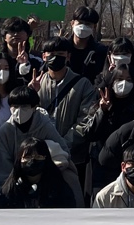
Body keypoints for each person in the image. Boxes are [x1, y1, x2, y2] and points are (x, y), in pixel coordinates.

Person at [36, 37, 98, 168]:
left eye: (60, 54)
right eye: (51, 54)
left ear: (68, 56)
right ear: (44, 56)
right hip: (41, 155)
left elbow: (86, 118)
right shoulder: (37, 84)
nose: (55, 58)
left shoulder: (83, 84)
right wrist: (30, 94)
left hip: (73, 157)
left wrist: (63, 144)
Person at [0, 87, 68, 194]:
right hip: (17, 181)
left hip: (45, 179)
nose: (19, 111)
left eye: (24, 106)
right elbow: (3, 165)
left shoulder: (45, 126)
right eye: (15, 106)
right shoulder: (5, 131)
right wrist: (6, 190)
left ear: (34, 107)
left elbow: (64, 150)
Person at [1, 137, 79, 208]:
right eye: (27, 157)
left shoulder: (60, 189)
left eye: (38, 157)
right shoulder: (9, 190)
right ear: (19, 160)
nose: (32, 161)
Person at [65, 6, 109, 82]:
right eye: (80, 23)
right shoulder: (62, 48)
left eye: (87, 24)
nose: (83, 27)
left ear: (94, 26)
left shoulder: (101, 51)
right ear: (72, 23)